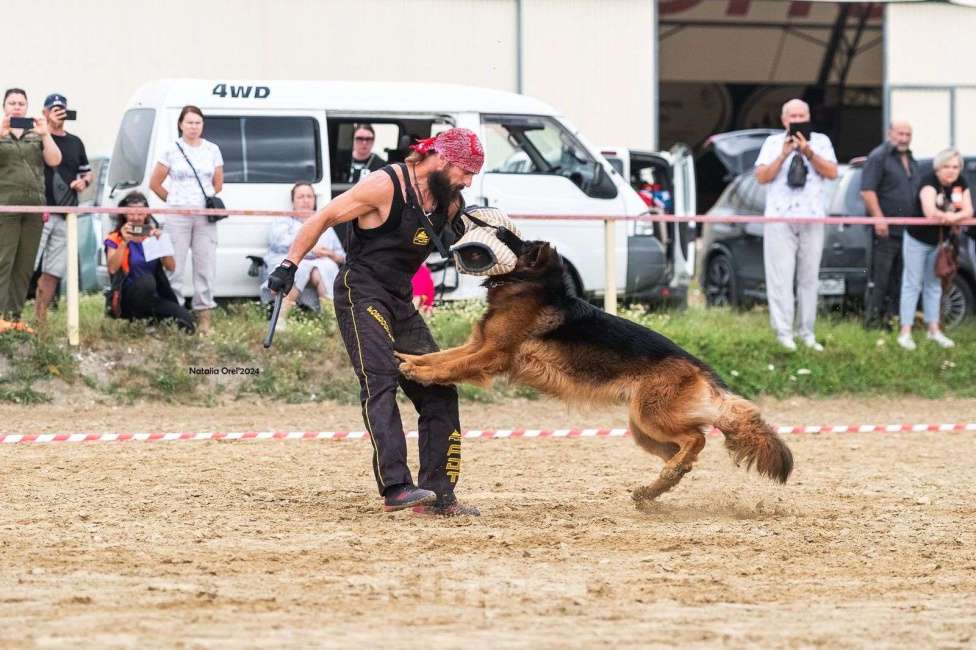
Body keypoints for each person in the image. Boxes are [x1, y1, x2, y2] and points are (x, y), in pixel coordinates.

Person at [267, 128, 482, 516]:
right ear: (443, 161)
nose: (468, 182)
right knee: (380, 380)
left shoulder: (450, 203)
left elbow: (464, 245)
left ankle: (438, 496)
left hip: (399, 298)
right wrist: (289, 264)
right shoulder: (386, 184)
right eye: (466, 172)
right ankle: (397, 486)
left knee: (440, 386)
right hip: (360, 290)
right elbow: (326, 215)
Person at [754, 98, 838, 352]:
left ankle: (807, 332)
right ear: (784, 120)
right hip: (780, 219)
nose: (798, 120)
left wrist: (808, 151)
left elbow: (832, 172)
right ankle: (783, 333)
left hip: (812, 217)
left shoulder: (821, 141)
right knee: (780, 277)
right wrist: (784, 153)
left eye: (803, 115)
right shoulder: (772, 143)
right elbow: (762, 177)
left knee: (809, 278)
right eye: (794, 116)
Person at [149, 105, 223, 333]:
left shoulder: (212, 149)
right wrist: (175, 201)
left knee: (205, 266)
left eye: (198, 122)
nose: (193, 127)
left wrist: (200, 201)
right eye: (189, 122)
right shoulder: (171, 150)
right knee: (175, 266)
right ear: (181, 124)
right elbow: (155, 183)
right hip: (177, 216)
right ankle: (175, 314)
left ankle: (204, 318)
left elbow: (217, 183)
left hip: (204, 217)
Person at [897, 148, 972, 350]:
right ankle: (905, 333)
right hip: (917, 239)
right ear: (938, 168)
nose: (951, 171)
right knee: (912, 284)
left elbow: (968, 210)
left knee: (934, 285)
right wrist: (952, 217)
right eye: (947, 166)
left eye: (955, 167)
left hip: (940, 243)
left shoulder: (960, 183)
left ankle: (934, 331)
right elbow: (930, 212)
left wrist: (951, 218)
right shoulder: (928, 181)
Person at [0, 88, 62, 321]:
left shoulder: (36, 134)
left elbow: (55, 160)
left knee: (25, 264)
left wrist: (46, 134)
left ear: (27, 107)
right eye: (12, 103)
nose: (17, 107)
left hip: (34, 207)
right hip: (6, 207)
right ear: (4, 106)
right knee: (3, 260)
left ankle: (13, 316)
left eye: (21, 103)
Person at [34, 93, 93, 324]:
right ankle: (10, 314)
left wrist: (84, 182)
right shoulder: (36, 138)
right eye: (53, 109)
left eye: (62, 109)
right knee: (26, 264)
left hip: (67, 213)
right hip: (39, 212)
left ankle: (41, 320)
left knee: (54, 271)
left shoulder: (76, 142)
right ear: (45, 112)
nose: (58, 113)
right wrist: (45, 129)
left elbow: (86, 171)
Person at [105, 192, 194, 332]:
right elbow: (112, 269)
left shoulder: (151, 236)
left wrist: (162, 243)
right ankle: (137, 321)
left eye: (140, 214)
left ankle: (151, 320)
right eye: (131, 213)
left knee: (187, 322)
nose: (135, 218)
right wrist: (124, 241)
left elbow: (171, 267)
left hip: (152, 295)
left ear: (147, 214)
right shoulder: (115, 237)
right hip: (127, 296)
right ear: (124, 214)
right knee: (146, 281)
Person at [860, 121, 916, 330]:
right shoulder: (879, 156)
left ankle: (891, 321)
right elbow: (867, 190)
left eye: (907, 134)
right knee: (880, 280)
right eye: (900, 133)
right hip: (884, 232)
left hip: (906, 232)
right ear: (889, 133)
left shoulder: (910, 158)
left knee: (899, 280)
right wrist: (878, 218)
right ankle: (872, 324)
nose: (903, 138)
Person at [266, 182, 345, 330]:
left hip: (319, 266)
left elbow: (342, 256)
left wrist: (328, 253)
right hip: (292, 261)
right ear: (293, 201)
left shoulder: (323, 223)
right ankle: (281, 317)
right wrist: (309, 248)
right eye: (301, 196)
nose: (306, 200)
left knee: (325, 267)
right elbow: (277, 243)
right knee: (300, 268)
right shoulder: (283, 221)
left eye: (309, 196)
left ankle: (330, 320)